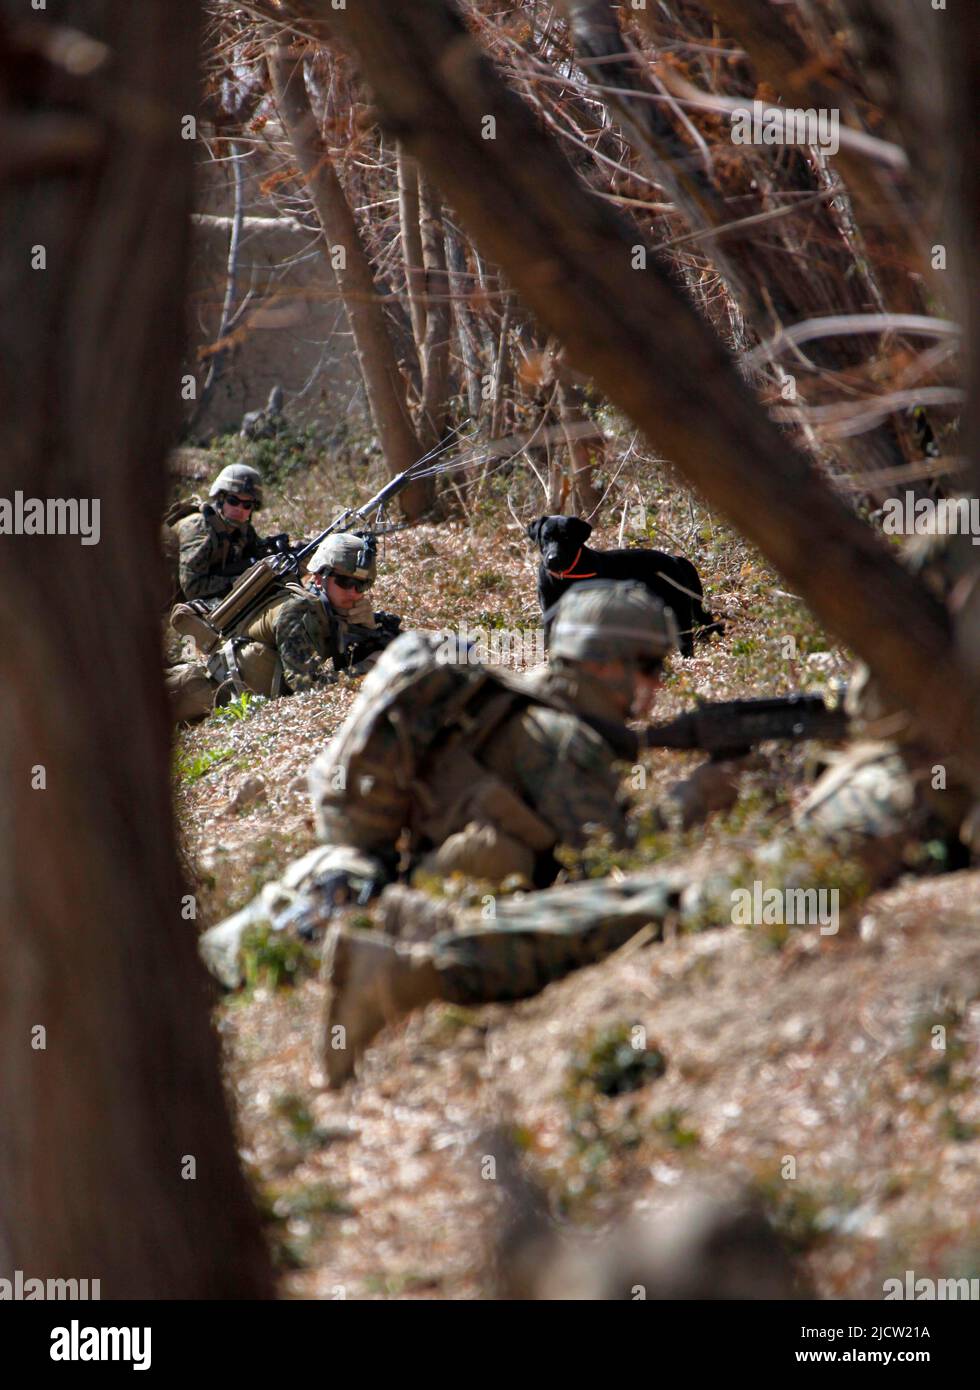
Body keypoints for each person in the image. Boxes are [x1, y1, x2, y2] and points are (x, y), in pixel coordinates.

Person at [165, 531, 401, 721]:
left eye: (361, 586)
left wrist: (368, 632)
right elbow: (305, 687)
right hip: (197, 692)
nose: (353, 593)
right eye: (345, 582)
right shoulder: (297, 611)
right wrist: (368, 667)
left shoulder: (332, 613)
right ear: (319, 577)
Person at [172, 463, 266, 604]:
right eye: (233, 501)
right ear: (220, 498)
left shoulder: (243, 531)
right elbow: (193, 588)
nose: (240, 509)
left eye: (247, 505)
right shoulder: (199, 529)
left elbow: (257, 555)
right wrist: (238, 581)